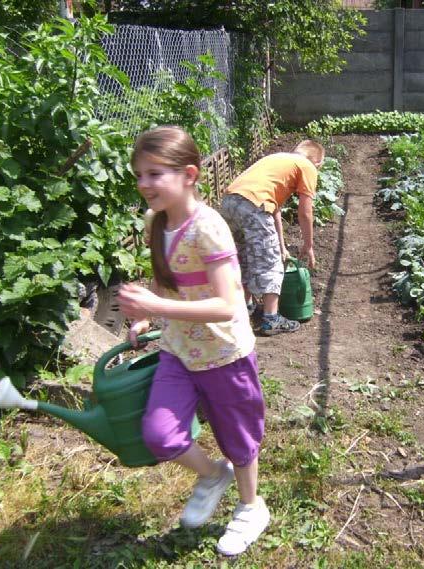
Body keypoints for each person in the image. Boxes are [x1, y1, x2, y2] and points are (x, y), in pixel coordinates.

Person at [117, 126, 269, 557]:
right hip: (179, 351)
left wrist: (156, 307)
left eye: (154, 174)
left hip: (224, 352)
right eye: (140, 174)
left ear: (189, 174)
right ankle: (210, 475)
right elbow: (167, 281)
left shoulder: (209, 229)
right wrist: (149, 311)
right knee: (161, 435)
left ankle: (250, 506)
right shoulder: (156, 223)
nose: (144, 184)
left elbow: (227, 305)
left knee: (239, 439)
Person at [220, 139, 324, 335]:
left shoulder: (278, 161)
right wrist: (309, 245)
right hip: (253, 207)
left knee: (243, 258)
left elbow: (274, 210)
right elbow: (305, 212)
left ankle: (245, 308)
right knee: (270, 262)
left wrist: (282, 247)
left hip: (229, 202)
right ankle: (271, 319)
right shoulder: (308, 167)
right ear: (316, 162)